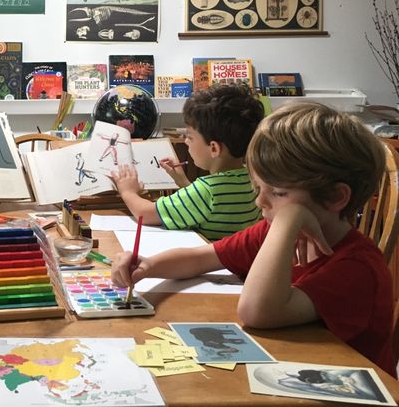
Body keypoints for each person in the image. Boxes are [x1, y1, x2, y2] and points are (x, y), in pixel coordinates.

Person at [111, 103, 395, 376]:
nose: (260, 201)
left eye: (278, 193)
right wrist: (147, 266)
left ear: (335, 197)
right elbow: (202, 258)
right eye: (258, 187)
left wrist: (287, 219)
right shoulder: (273, 232)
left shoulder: (357, 269)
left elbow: (256, 312)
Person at [111, 83, 264, 240]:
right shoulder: (253, 181)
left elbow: (146, 214)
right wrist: (183, 181)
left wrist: (128, 191)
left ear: (214, 148)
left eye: (190, 137)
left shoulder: (206, 190)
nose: (186, 142)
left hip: (210, 262)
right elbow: (211, 205)